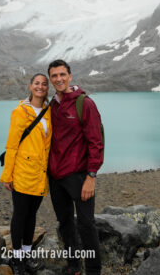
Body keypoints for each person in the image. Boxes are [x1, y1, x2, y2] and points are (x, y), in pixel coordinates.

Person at [47, 59, 104, 275]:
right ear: (51, 79)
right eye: (54, 76)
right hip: (56, 177)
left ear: (70, 76)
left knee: (87, 225)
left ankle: (93, 270)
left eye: (62, 74)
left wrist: (91, 176)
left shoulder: (84, 104)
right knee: (65, 224)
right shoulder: (52, 105)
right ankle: (73, 266)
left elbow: (96, 142)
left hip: (79, 177)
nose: (59, 79)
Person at [0, 73, 52, 275]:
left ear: (47, 88)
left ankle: (27, 255)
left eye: (44, 84)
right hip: (22, 173)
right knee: (20, 216)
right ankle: (17, 259)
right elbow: (11, 146)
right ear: (30, 86)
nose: (40, 87)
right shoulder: (20, 112)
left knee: (31, 216)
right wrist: (7, 175)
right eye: (36, 83)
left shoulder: (48, 112)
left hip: (39, 174)